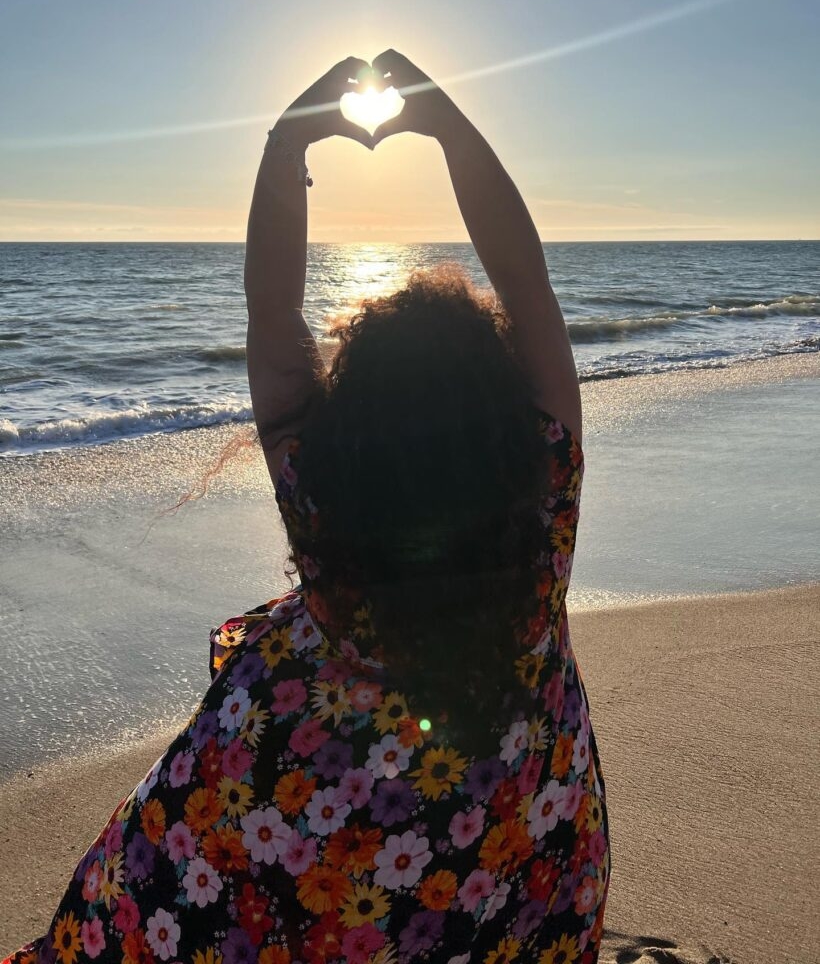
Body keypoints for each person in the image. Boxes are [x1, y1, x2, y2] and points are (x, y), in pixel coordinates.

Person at [3, 51, 609, 964]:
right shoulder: (542, 485)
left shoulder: (323, 490)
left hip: (297, 837)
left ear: (348, 421)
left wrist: (290, 135)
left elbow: (274, 308)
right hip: (512, 831)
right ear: (500, 406)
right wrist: (443, 121)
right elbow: (529, 282)